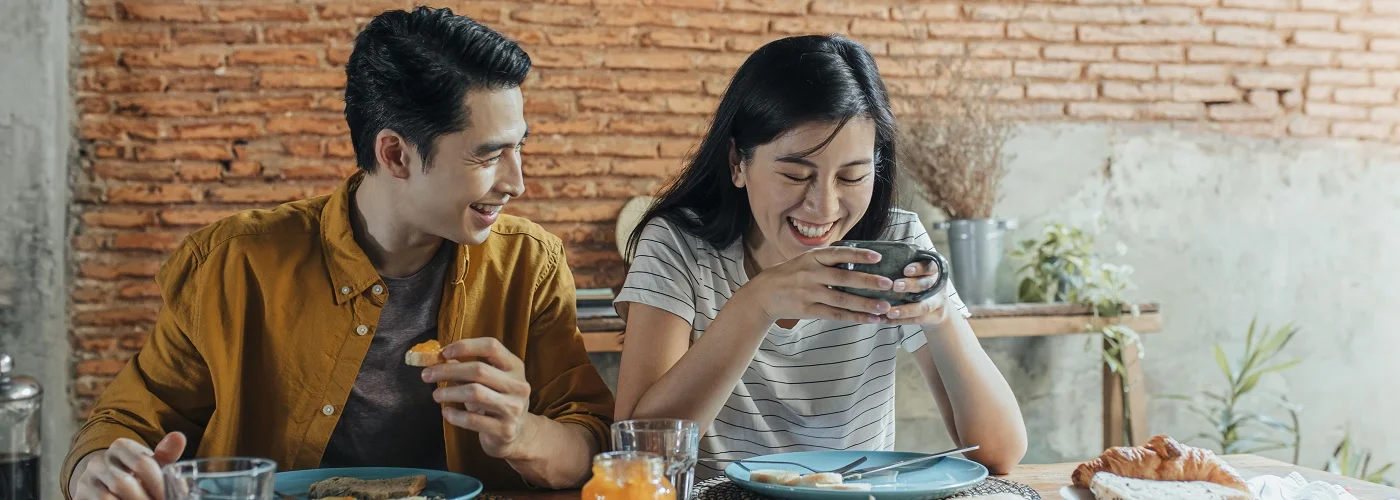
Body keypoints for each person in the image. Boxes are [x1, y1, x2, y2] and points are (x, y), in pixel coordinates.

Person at [63, 8, 614, 499]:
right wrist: (100, 470)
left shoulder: (529, 265)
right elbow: (123, 423)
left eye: (520, 146)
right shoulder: (233, 263)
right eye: (489, 155)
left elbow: (594, 446)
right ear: (396, 155)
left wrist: (521, 433)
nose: (517, 182)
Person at [612, 35, 1028, 479]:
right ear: (737, 162)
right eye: (795, 174)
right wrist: (757, 305)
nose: (824, 207)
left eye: (852, 177)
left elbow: (999, 452)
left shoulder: (895, 240)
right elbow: (639, 455)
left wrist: (939, 313)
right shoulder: (678, 244)